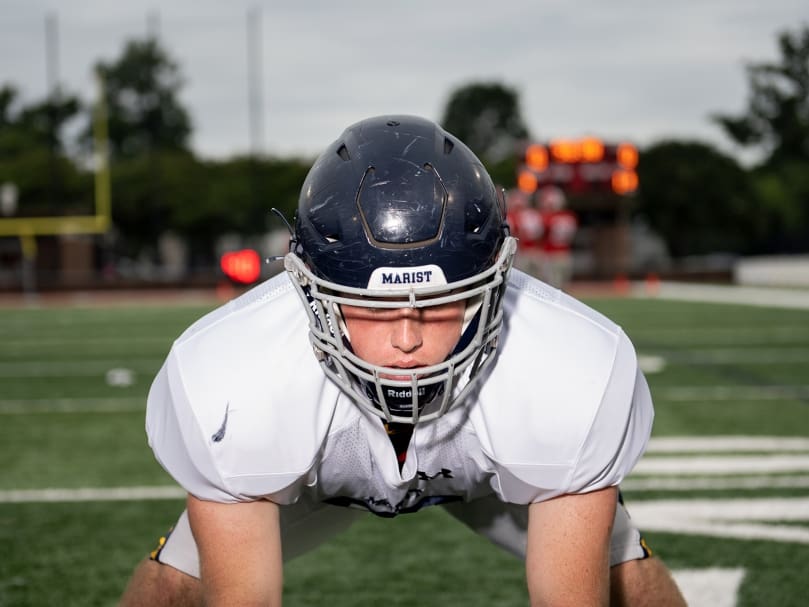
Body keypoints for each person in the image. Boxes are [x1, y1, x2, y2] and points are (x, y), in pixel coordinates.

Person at [120, 115, 686, 606]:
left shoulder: (569, 367)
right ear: (311, 290)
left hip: (500, 469)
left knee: (626, 580)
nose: (407, 339)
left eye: (439, 303)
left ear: (492, 282)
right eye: (374, 308)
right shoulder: (233, 374)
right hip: (314, 470)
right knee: (175, 587)